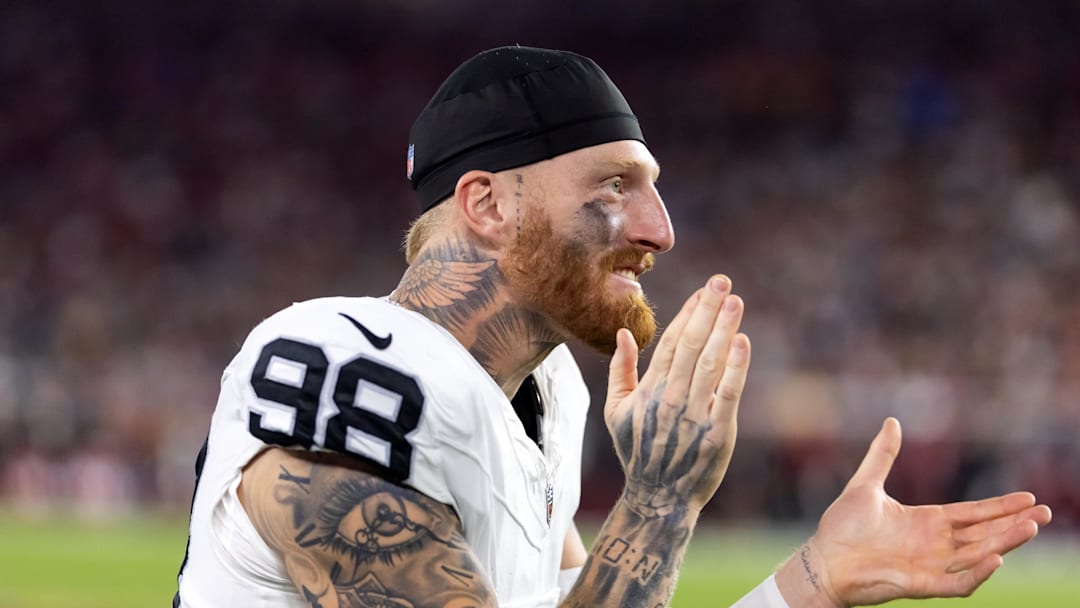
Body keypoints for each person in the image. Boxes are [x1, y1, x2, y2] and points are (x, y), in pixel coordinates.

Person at [173, 46, 1052, 608]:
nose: (659, 229)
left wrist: (812, 582)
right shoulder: (338, 375)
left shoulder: (541, 393)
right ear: (486, 204)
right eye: (612, 186)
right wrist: (661, 502)